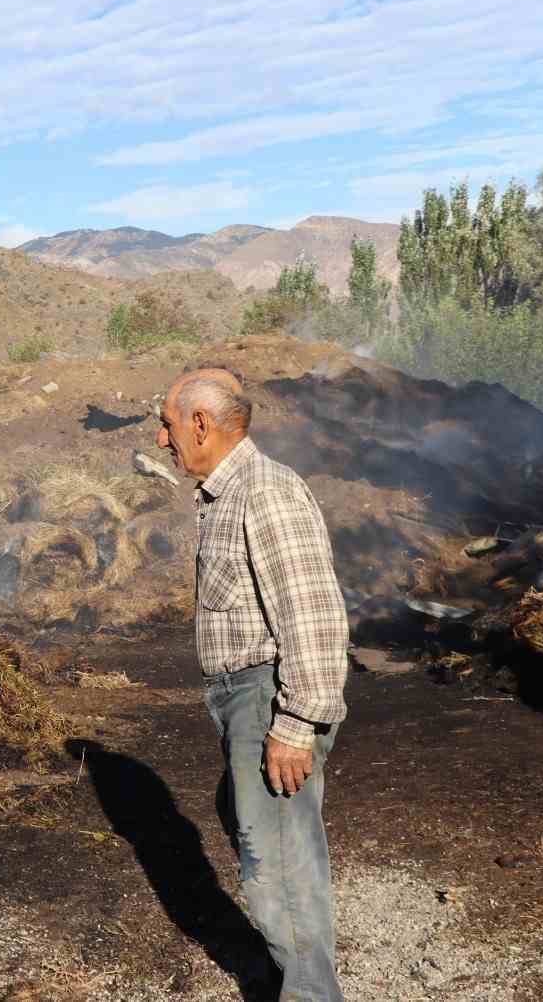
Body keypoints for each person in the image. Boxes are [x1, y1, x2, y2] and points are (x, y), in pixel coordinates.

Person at [156, 368, 349, 1002]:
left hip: (268, 698)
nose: (163, 440)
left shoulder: (264, 493)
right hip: (247, 699)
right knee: (265, 847)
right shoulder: (226, 495)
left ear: (202, 424)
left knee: (282, 865)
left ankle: (309, 995)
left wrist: (294, 727)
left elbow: (314, 615)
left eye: (168, 424)